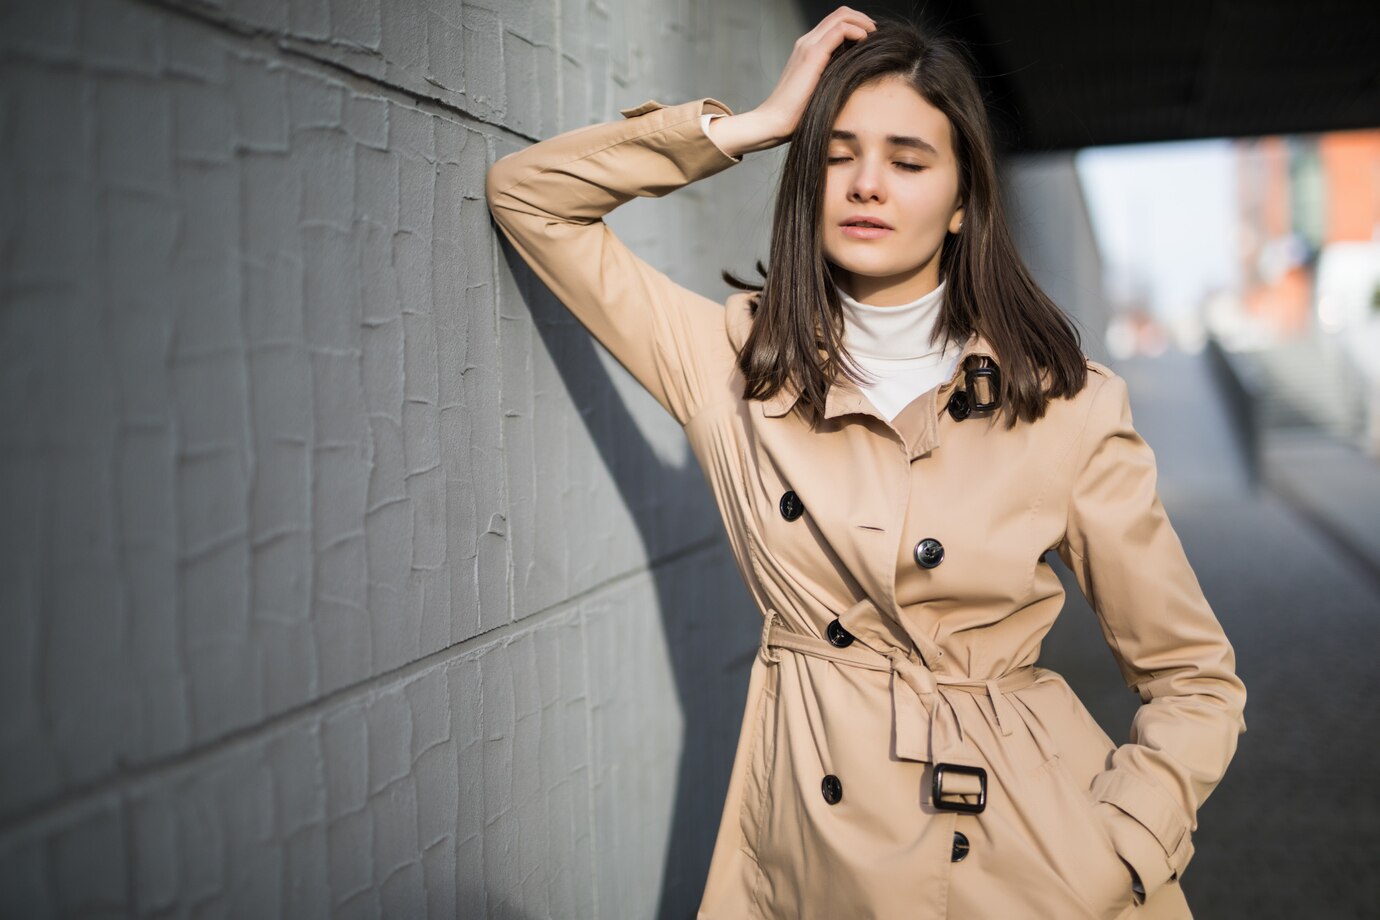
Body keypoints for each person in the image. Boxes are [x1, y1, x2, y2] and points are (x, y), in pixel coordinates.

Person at [485, 8, 1247, 919]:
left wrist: (1120, 848)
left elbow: (1192, 678)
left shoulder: (1064, 404)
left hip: (1033, 864)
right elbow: (529, 197)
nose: (867, 185)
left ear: (965, 201)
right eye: (838, 154)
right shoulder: (734, 363)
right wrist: (752, 125)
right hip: (818, 848)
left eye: (909, 161)